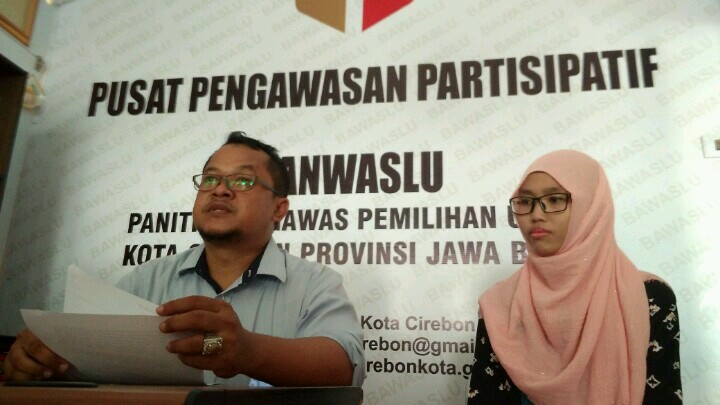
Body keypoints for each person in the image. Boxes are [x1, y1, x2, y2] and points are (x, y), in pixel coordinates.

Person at [3, 131, 365, 387]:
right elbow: (84, 360)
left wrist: (248, 350)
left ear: (279, 209)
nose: (220, 189)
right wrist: (43, 357)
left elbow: (344, 367)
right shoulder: (146, 280)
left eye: (242, 181)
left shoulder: (315, 283)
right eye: (210, 179)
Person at [467, 150, 682, 404]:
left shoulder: (648, 297)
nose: (536, 214)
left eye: (555, 199)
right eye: (525, 201)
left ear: (591, 207)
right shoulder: (500, 305)